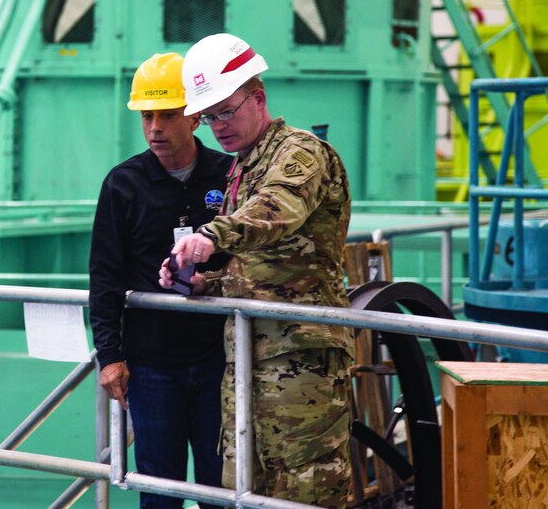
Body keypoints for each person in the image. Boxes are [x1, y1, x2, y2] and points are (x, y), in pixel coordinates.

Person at [158, 33, 355, 508]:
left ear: (258, 97)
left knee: (304, 488)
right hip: (250, 356)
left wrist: (212, 236)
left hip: (301, 358)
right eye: (209, 118)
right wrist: (208, 282)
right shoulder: (243, 167)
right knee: (246, 489)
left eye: (226, 111)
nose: (218, 127)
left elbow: (277, 210)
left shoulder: (300, 153)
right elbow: (263, 267)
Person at [89, 52, 233, 509]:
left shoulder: (229, 176)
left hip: (220, 360)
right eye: (147, 116)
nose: (154, 127)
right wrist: (109, 357)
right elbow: (105, 275)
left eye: (167, 115)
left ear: (194, 117)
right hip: (151, 366)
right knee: (159, 491)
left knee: (221, 487)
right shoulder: (123, 185)